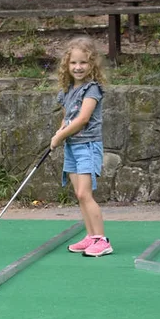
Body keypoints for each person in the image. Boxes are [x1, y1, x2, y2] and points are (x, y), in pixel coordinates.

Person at [50, 36, 111, 257]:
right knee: (78, 193)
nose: (78, 67)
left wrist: (59, 137)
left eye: (83, 62)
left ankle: (102, 240)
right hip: (72, 146)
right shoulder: (67, 90)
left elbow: (83, 119)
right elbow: (67, 117)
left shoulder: (92, 89)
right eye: (73, 63)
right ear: (67, 64)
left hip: (87, 145)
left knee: (85, 193)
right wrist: (60, 133)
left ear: (92, 64)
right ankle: (90, 236)